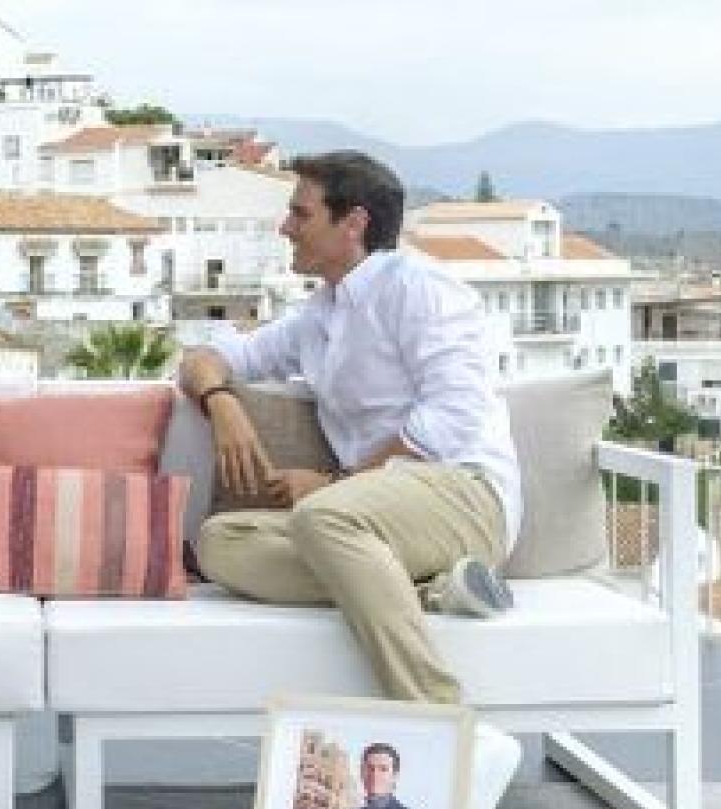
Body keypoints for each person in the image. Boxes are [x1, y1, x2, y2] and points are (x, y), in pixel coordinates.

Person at [180, 150, 521, 706]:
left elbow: (452, 414)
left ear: (354, 223)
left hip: (466, 494)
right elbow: (209, 358)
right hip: (367, 522)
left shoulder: (420, 288)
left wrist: (336, 482)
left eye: (301, 214)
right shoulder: (319, 316)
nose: (285, 228)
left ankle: (440, 717)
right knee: (221, 543)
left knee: (323, 517)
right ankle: (435, 589)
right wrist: (222, 404)